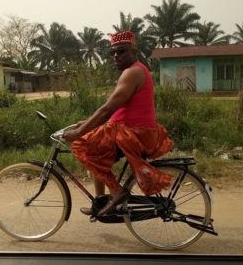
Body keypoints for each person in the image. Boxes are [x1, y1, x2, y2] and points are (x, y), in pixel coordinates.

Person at [63, 31, 174, 216]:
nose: (116, 56)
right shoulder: (135, 70)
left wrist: (77, 132)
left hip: (133, 133)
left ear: (133, 50)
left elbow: (106, 110)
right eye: (113, 52)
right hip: (131, 129)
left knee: (81, 143)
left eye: (121, 51)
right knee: (95, 149)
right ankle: (100, 202)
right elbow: (115, 110)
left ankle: (116, 191)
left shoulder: (132, 72)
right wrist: (88, 123)